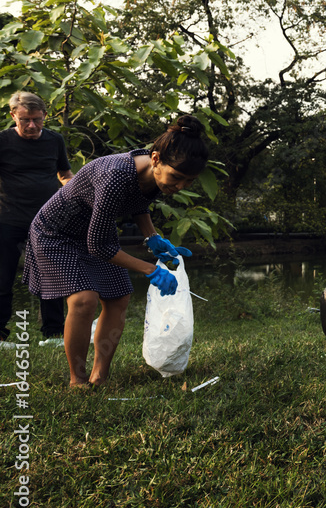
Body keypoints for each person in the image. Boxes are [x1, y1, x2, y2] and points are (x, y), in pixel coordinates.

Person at [23, 116, 208, 387]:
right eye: (177, 177)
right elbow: (99, 247)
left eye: (189, 181)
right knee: (84, 300)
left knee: (118, 298)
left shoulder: (152, 171)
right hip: (56, 232)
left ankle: (100, 376)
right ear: (156, 158)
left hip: (96, 227)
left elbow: (138, 202)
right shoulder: (116, 175)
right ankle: (78, 380)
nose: (180, 186)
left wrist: (153, 238)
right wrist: (150, 269)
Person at [0, 92, 74, 350]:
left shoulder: (55, 140)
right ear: (13, 116)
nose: (31, 126)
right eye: (25, 120)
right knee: (2, 277)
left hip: (47, 219)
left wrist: (78, 193)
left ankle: (53, 334)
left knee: (51, 277)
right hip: (7, 218)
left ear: (44, 116)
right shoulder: (2, 141)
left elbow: (64, 174)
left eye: (37, 120)